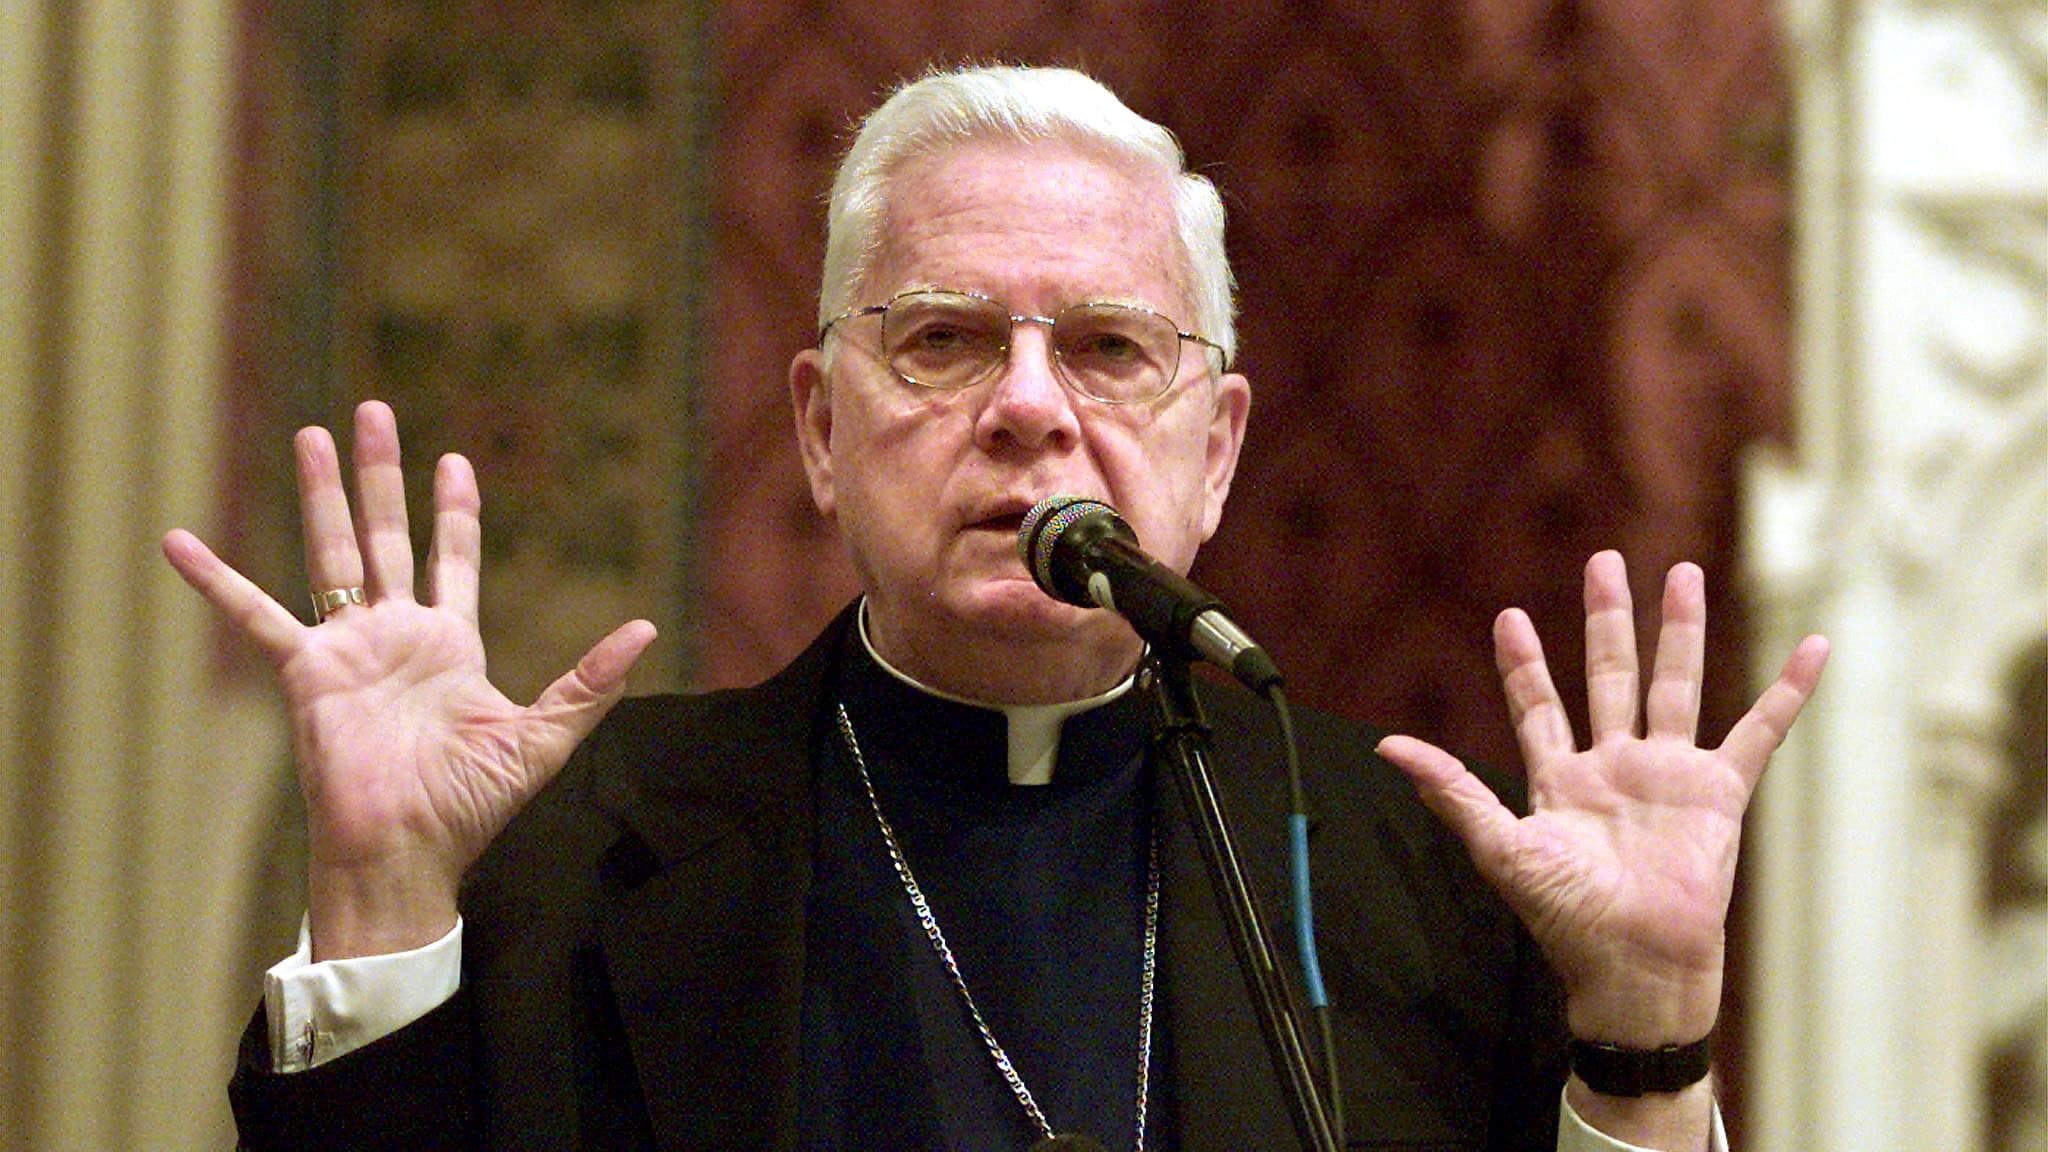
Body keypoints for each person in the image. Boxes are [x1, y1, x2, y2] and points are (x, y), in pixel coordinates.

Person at [163, 65, 1828, 1152]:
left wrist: (1650, 1044)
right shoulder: (570, 847)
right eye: (946, 339)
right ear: (821, 428)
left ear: (1219, 447)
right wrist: (384, 896)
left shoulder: (1405, 877)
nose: (1031, 409)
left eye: (1109, 348)